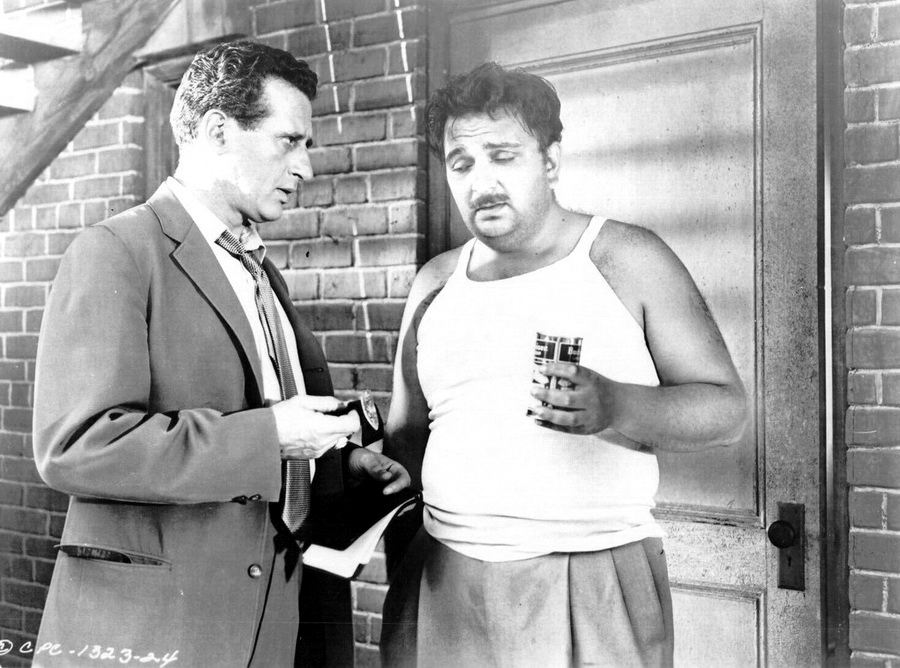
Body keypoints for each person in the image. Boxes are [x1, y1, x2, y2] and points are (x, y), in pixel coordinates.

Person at [32, 40, 409, 668]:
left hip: (276, 621)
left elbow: (264, 424)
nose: (305, 167)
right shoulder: (116, 251)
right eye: (289, 142)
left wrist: (337, 465)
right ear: (217, 131)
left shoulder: (260, 270)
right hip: (161, 631)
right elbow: (76, 448)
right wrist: (272, 437)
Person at [380, 62, 749, 667]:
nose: (481, 182)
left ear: (550, 161)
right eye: (461, 163)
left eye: (503, 156)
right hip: (443, 576)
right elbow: (406, 438)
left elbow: (726, 410)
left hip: (592, 575)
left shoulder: (625, 256)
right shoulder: (435, 282)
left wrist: (618, 404)